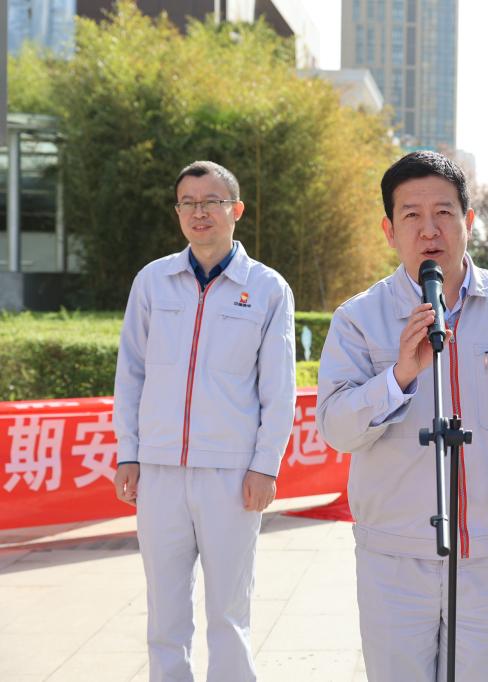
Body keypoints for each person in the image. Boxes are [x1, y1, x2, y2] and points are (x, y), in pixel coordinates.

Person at [316, 151, 488, 681]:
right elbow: (335, 428)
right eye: (411, 215)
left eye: (444, 213)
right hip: (394, 559)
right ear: (389, 230)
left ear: (468, 221)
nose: (429, 230)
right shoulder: (359, 317)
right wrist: (398, 376)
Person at [112, 160, 296, 681]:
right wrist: (129, 452)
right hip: (159, 471)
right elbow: (131, 372)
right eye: (188, 203)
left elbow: (278, 388)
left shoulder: (267, 288)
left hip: (231, 475)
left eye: (211, 202)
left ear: (236, 210)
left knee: (229, 614)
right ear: (178, 212)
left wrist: (265, 465)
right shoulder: (153, 281)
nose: (199, 213)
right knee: (164, 615)